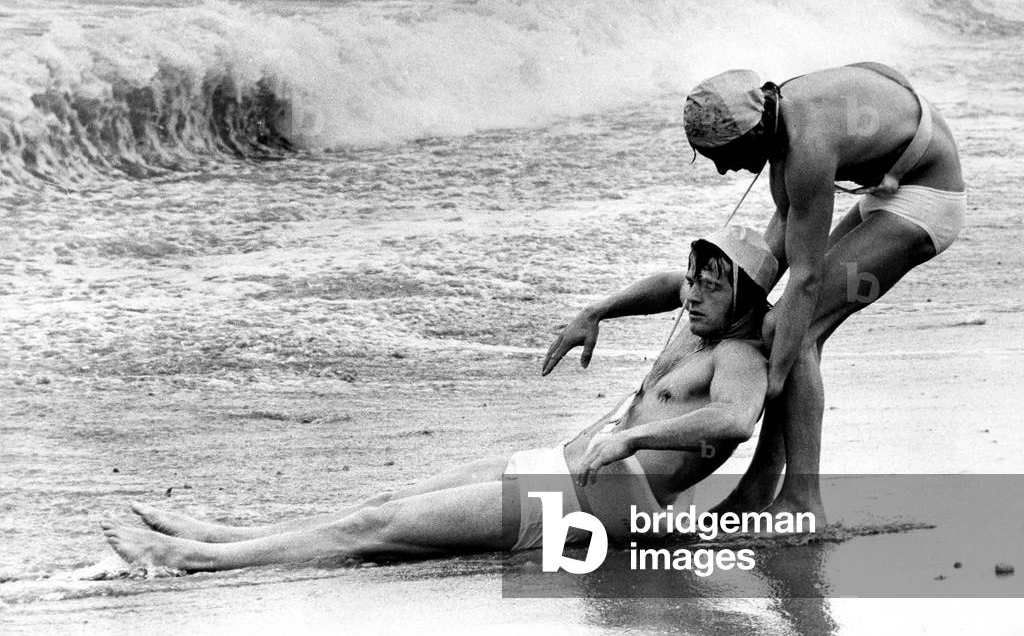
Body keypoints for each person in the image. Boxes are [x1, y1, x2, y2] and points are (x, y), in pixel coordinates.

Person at [102, 228, 779, 572]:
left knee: (374, 534)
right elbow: (664, 284)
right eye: (693, 281)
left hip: (582, 502)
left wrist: (633, 439)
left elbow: (737, 418)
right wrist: (594, 311)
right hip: (560, 466)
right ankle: (228, 538)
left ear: (746, 296)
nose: (691, 296)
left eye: (711, 287)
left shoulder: (738, 358)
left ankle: (195, 561)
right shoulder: (695, 323)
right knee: (380, 506)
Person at [682, 63, 965, 522]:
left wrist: (771, 380)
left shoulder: (806, 147)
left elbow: (806, 278)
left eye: (721, 154)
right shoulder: (780, 107)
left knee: (794, 328)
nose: (721, 168)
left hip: (927, 197)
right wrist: (719, 297)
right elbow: (783, 237)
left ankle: (803, 501)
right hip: (896, 180)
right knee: (785, 328)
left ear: (751, 134)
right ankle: (760, 485)